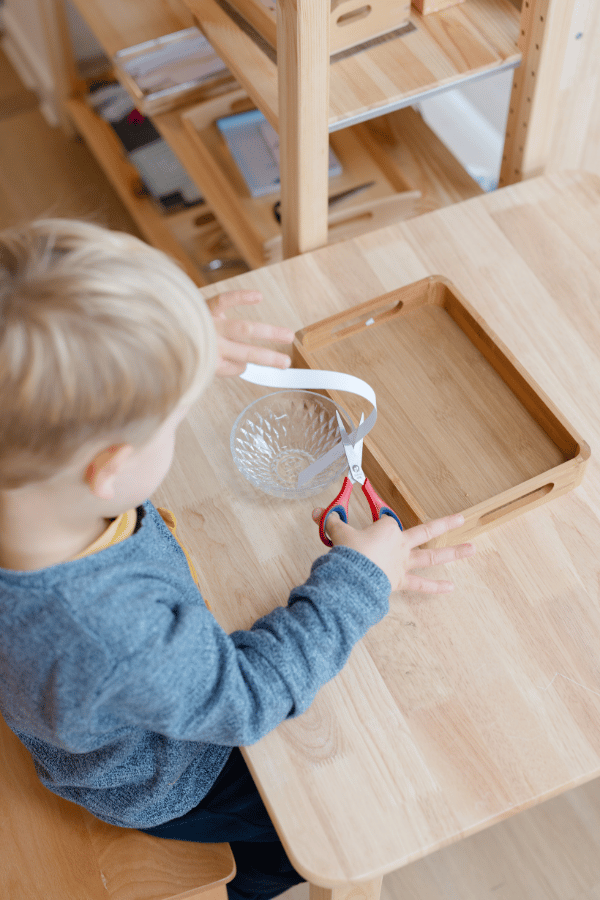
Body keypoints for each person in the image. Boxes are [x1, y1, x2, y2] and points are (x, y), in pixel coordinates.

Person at [0, 219, 476, 900]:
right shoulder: (113, 629)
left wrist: (165, 347)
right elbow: (249, 697)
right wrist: (360, 580)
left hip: (87, 699)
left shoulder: (30, 479)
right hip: (165, 778)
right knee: (319, 831)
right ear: (107, 469)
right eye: (170, 417)